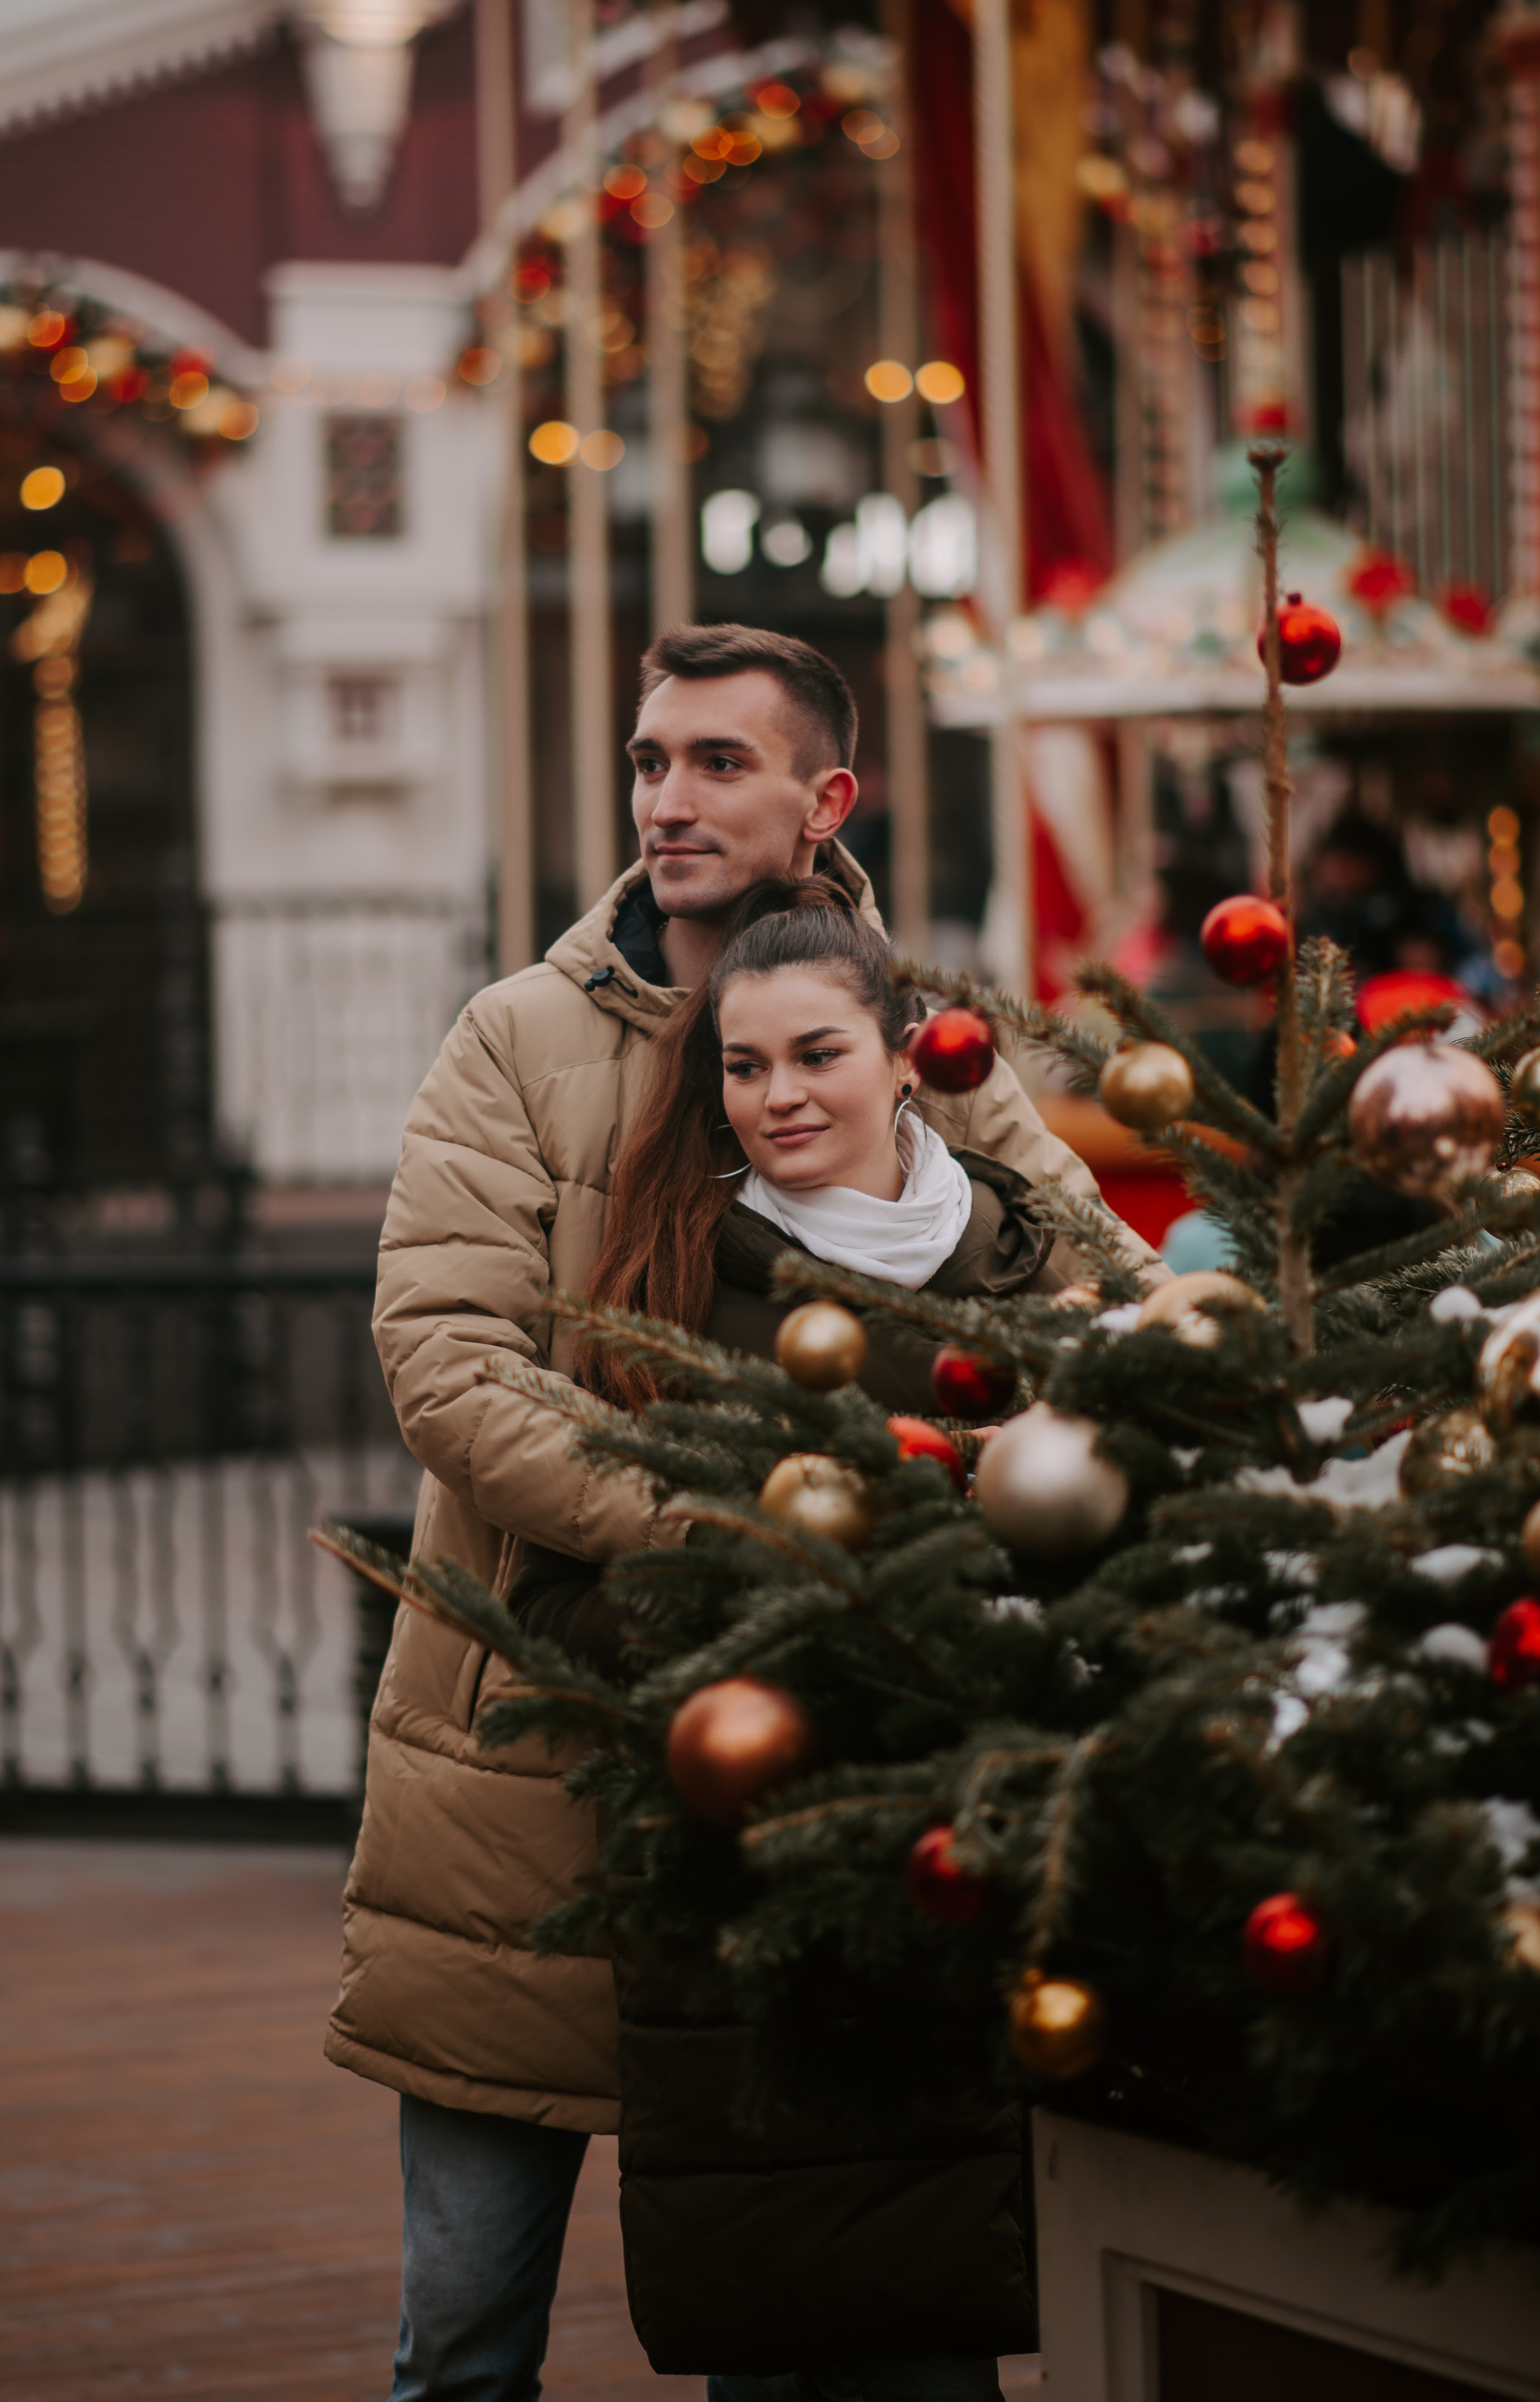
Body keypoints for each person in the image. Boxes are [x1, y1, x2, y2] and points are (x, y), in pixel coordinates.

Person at [326, 622, 1164, 2402]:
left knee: (806, 2308)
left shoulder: (908, 1029)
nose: (669, 798)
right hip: (535, 1767)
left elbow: (1096, 1278)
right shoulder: (522, 1035)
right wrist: (748, 1525)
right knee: (466, 2334)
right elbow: (449, 1357)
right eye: (649, 761)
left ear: (822, 797)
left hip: (820, 1776)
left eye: (718, 761)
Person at [513, 881, 1045, 2398]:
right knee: (788, 2324)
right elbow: (555, 1589)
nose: (776, 1096)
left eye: (814, 1054)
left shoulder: (1009, 1259)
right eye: (743, 1068)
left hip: (979, 1867)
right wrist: (753, 1620)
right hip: (749, 1882)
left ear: (898, 1055)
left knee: (955, 2332)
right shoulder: (674, 1271)